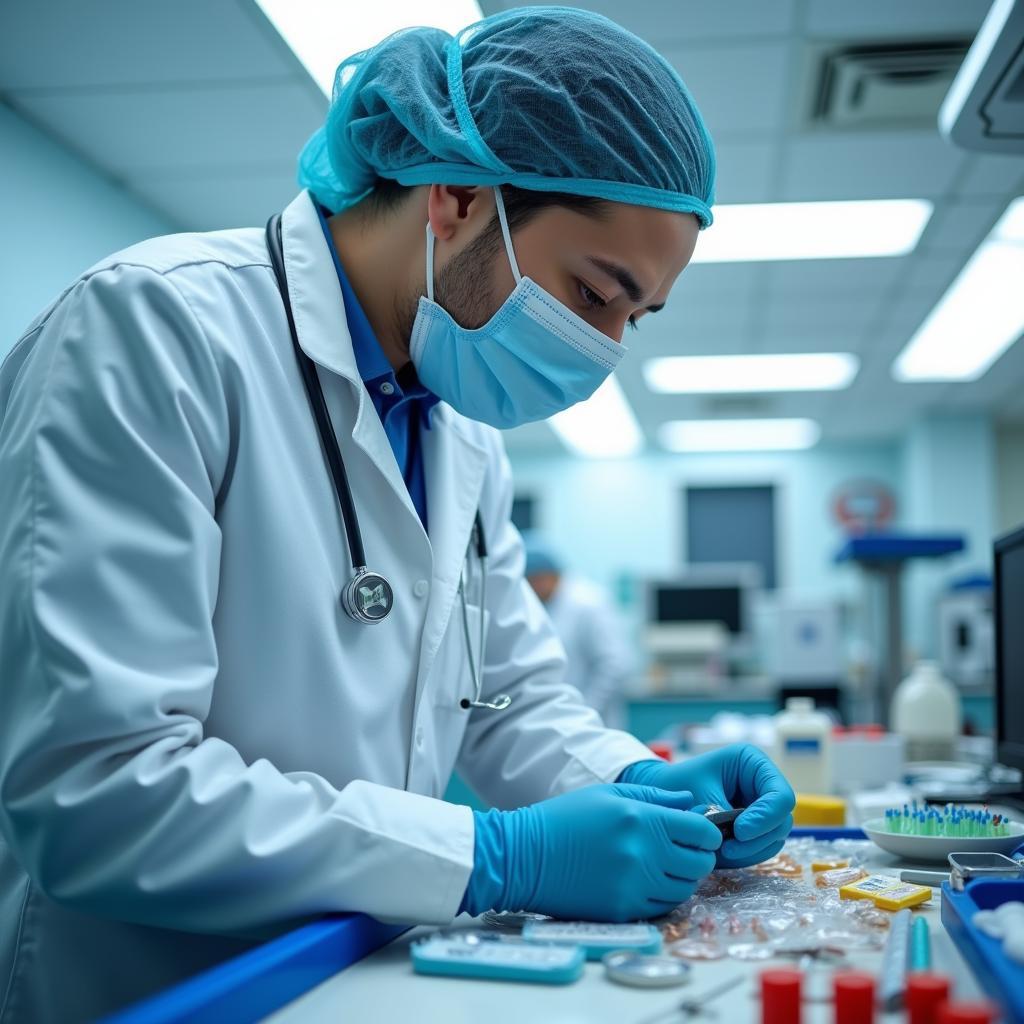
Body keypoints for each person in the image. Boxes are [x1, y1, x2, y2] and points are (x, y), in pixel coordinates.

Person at [0, 8, 795, 1022]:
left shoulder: (459, 427)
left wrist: (647, 781)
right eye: (595, 292)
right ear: (457, 198)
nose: (603, 350)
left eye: (630, 319)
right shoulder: (152, 331)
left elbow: (509, 698)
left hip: (356, 969)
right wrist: (499, 854)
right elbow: (98, 795)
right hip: (153, 984)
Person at [524, 534, 633, 727]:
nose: (529, 589)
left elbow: (615, 665)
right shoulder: (547, 605)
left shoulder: (587, 603)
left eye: (530, 581)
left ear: (544, 576)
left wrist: (587, 711)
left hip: (592, 721)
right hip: (562, 720)